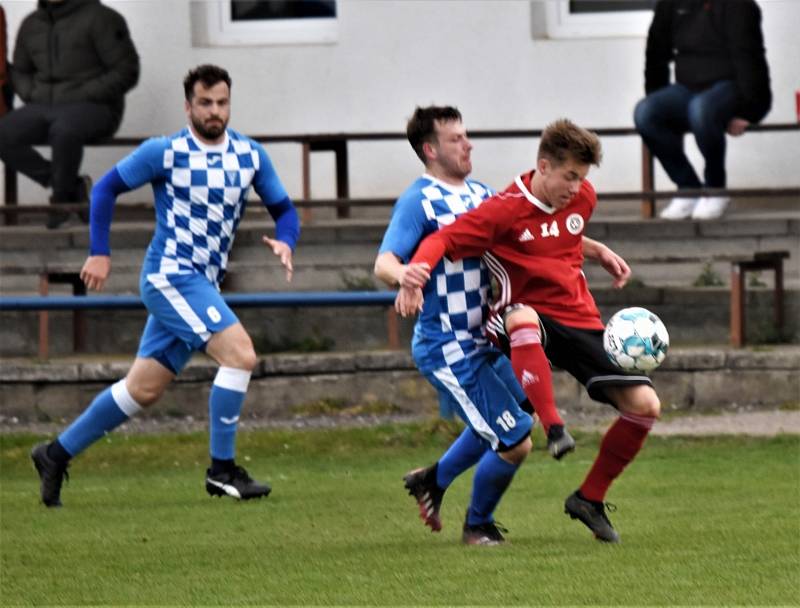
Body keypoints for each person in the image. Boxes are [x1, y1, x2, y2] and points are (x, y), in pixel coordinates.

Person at [30, 64, 300, 507]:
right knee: (241, 354)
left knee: (143, 390)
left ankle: (54, 454)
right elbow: (104, 190)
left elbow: (285, 210)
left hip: (202, 283)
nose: (215, 111)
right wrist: (99, 251)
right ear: (188, 106)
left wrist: (287, 240)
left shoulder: (250, 155)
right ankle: (222, 470)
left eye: (222, 103)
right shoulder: (165, 151)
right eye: (206, 103)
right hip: (171, 275)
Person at [400, 119, 661, 543]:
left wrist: (598, 252)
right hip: (516, 316)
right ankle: (555, 429)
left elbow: (562, 240)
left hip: (579, 320)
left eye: (582, 178)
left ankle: (588, 499)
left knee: (646, 406)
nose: (576, 187)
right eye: (569, 176)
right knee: (520, 350)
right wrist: (416, 273)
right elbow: (444, 240)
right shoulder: (503, 209)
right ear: (543, 165)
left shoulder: (582, 200)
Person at [374, 106, 534, 545]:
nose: (468, 144)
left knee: (519, 410)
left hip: (485, 341)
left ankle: (433, 480)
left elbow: (528, 239)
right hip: (448, 345)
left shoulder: (483, 194)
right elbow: (384, 261)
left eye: (467, 136)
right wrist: (403, 275)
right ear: (430, 149)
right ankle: (477, 526)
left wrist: (591, 249)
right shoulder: (418, 200)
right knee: (515, 439)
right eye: (456, 139)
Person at [0, 0, 140, 228]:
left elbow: (126, 70)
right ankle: (70, 186)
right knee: (3, 133)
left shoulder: (101, 18)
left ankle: (60, 201)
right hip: (43, 106)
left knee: (65, 129)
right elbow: (20, 71)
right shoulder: (31, 24)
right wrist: (32, 93)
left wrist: (86, 93)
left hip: (96, 107)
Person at [633, 0, 771, 221]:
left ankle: (715, 189)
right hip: (687, 88)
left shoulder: (739, 5)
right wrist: (659, 100)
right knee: (646, 112)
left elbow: (751, 58)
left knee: (702, 110)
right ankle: (688, 188)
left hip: (728, 86)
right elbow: (656, 51)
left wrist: (750, 111)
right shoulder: (671, 4)